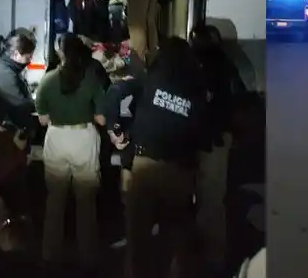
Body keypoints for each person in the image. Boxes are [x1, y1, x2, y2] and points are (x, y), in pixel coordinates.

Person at [103, 36, 211, 278]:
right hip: (179, 171)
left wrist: (114, 128)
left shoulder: (149, 78)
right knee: (175, 238)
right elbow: (203, 133)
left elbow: (115, 92)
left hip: (145, 167)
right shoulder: (197, 90)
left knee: (137, 238)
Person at [35, 33, 106, 272]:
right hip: (84, 139)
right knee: (86, 202)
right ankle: (88, 256)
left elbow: (43, 120)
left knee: (55, 200)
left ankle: (50, 254)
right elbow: (101, 118)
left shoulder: (47, 81)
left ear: (60, 52)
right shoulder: (90, 79)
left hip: (57, 139)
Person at [190, 24, 244, 276]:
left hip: (209, 141)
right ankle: (211, 260)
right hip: (217, 139)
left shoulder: (204, 67)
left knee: (208, 202)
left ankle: (208, 262)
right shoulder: (227, 65)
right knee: (211, 200)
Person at [0, 28, 37, 248]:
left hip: (6, 141)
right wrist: (35, 106)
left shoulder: (5, 67)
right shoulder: (3, 74)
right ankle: (10, 247)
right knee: (10, 198)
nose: (30, 60)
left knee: (8, 197)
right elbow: (21, 107)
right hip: (4, 143)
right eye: (27, 55)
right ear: (15, 54)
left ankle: (9, 243)